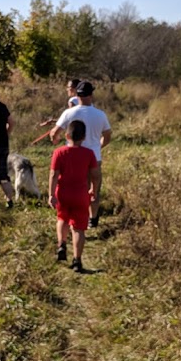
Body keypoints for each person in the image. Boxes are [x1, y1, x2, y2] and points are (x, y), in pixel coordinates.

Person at [49, 80, 111, 227]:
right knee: (93, 188)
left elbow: (54, 133)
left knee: (72, 187)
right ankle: (92, 219)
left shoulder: (69, 113)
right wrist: (99, 146)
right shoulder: (100, 115)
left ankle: (69, 217)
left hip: (71, 156)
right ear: (91, 95)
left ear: (77, 95)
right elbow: (107, 136)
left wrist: (56, 140)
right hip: (94, 156)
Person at [48, 119, 101, 272]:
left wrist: (51, 194)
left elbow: (54, 174)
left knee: (62, 218)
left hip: (63, 193)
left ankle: (62, 244)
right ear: (83, 137)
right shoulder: (89, 154)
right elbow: (95, 174)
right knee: (78, 228)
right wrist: (93, 190)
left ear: (67, 135)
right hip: (80, 194)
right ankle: (77, 260)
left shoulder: (59, 152)